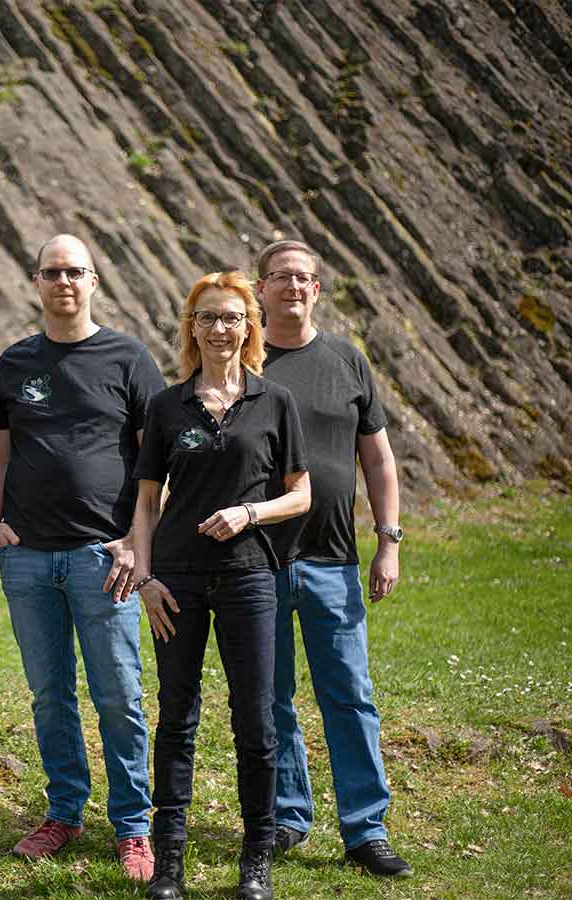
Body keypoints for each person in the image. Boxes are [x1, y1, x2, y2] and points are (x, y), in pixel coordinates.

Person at [0, 234, 165, 882]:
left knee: (118, 695)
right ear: (36, 282)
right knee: (50, 694)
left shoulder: (128, 358)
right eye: (52, 271)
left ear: (94, 281)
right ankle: (64, 811)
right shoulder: (15, 362)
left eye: (75, 271)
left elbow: (156, 462)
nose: (63, 281)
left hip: (103, 559)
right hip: (28, 557)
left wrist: (138, 543)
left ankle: (135, 827)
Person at [132, 271, 311, 900]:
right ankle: (171, 866)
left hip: (249, 578)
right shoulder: (166, 406)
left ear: (249, 326)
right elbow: (146, 503)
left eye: (231, 317)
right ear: (192, 328)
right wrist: (145, 578)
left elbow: (301, 494)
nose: (219, 329)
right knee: (176, 717)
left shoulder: (274, 403)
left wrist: (249, 512)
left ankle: (255, 861)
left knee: (256, 720)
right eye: (206, 318)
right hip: (176, 580)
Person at [256, 240, 412, 878]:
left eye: (304, 278)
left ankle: (365, 830)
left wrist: (389, 541)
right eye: (280, 277)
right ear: (259, 289)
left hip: (332, 559)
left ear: (317, 289)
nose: (293, 287)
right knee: (271, 697)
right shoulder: (242, 360)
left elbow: (377, 459)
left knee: (349, 694)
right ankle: (288, 818)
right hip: (255, 562)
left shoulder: (347, 360)